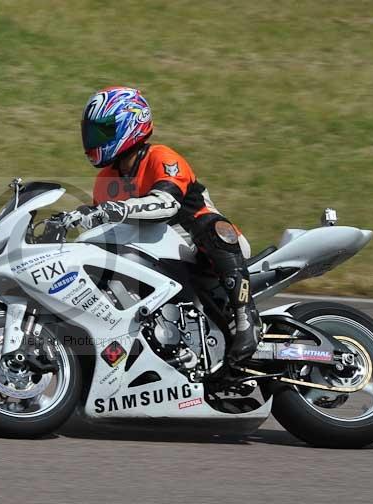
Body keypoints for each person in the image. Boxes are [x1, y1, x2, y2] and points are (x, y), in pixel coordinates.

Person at [73, 86, 261, 365]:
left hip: (199, 247)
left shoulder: (162, 157)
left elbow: (166, 204)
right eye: (91, 132)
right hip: (155, 256)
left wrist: (113, 210)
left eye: (102, 131)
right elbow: (103, 231)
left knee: (213, 228)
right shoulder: (105, 180)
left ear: (130, 124)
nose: (93, 140)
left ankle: (246, 317)